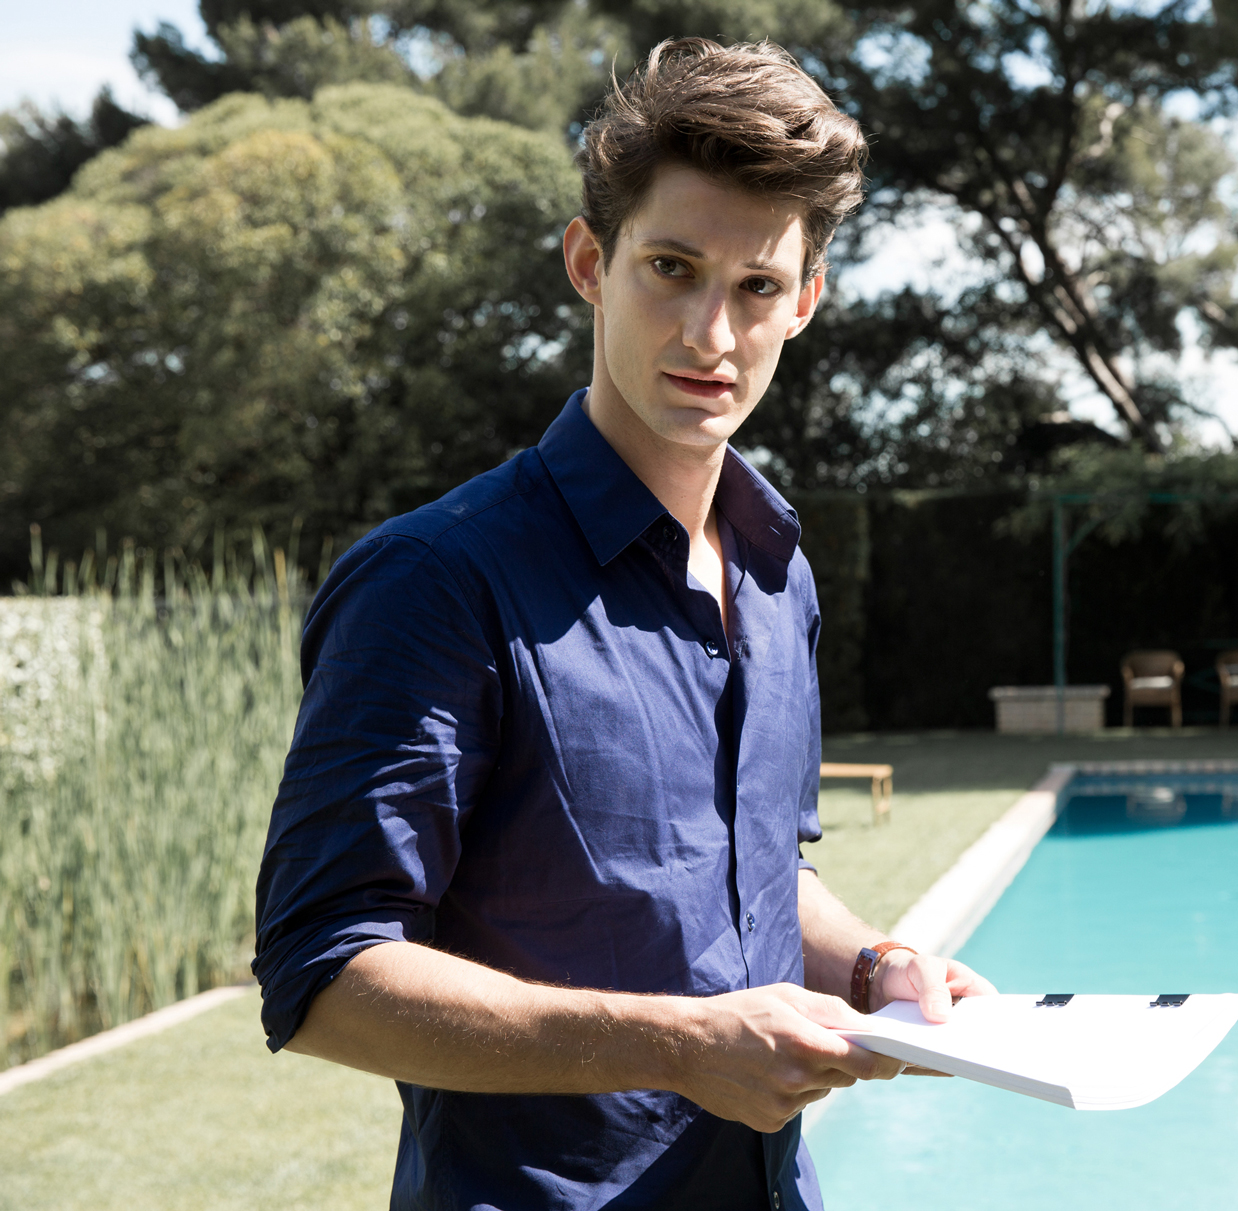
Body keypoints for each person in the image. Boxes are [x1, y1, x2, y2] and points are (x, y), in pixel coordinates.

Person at [251, 38, 994, 1211]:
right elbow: (325, 974)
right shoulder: (434, 580)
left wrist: (873, 967)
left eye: (756, 288)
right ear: (590, 263)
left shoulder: (779, 574)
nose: (711, 334)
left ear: (804, 301)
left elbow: (756, 869)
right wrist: (679, 1044)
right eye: (671, 268)